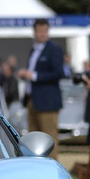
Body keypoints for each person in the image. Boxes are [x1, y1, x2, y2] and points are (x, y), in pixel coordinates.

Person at [17, 19, 64, 156]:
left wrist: (34, 75)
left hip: (48, 101)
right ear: (34, 32)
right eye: (39, 31)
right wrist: (26, 75)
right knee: (33, 139)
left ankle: (52, 166)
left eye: (44, 31)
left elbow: (59, 73)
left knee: (49, 138)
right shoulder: (34, 49)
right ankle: (36, 166)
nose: (42, 34)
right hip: (32, 99)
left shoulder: (54, 49)